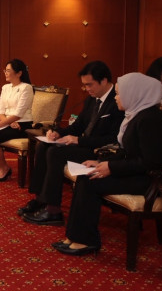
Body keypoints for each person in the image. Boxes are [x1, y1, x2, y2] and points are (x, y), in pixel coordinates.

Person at [53, 73, 162, 256]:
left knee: (89, 182)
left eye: (119, 94)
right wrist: (101, 162)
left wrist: (111, 168)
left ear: (134, 94)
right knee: (86, 176)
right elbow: (128, 152)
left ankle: (85, 240)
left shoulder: (150, 120)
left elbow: (150, 162)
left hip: (153, 179)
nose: (115, 97)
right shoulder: (136, 115)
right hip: (139, 172)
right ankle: (74, 237)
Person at [20, 61, 124, 225]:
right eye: (84, 85)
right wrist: (58, 133)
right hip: (85, 144)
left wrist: (78, 140)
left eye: (89, 84)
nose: (87, 89)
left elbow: (114, 139)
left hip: (100, 151)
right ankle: (40, 198)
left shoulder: (118, 101)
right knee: (44, 146)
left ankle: (53, 210)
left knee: (55, 153)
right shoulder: (92, 99)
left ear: (104, 81)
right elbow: (78, 125)